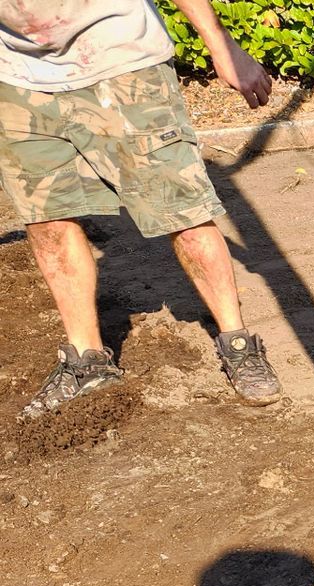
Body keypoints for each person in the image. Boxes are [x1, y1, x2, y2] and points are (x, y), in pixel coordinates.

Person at [0, 0, 283, 417]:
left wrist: (220, 45)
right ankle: (86, 361)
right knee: (47, 219)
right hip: (19, 77)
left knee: (182, 211)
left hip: (122, 61)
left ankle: (237, 343)